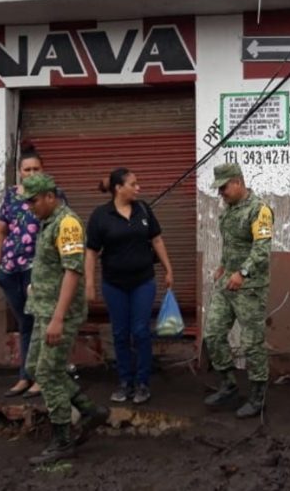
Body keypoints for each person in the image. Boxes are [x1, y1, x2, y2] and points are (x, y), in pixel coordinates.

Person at [20, 174, 108, 465]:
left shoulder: (67, 223)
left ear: (49, 196)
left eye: (33, 200)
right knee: (35, 367)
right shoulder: (48, 222)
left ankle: (62, 440)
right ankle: (88, 411)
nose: (30, 206)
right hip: (43, 310)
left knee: (48, 374)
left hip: (60, 315)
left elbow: (73, 272)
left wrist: (58, 319)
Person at [86, 168, 174, 404]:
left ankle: (143, 383)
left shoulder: (143, 209)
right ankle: (125, 382)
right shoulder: (100, 216)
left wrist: (168, 269)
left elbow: (156, 239)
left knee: (141, 331)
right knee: (120, 333)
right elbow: (91, 252)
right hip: (114, 285)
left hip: (143, 282)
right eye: (133, 184)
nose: (138, 187)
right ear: (118, 188)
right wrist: (89, 283)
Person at [203, 163, 273, 419]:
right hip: (227, 283)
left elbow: (262, 250)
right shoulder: (229, 210)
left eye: (224, 187)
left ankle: (258, 396)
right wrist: (223, 266)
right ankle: (229, 385)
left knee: (252, 343)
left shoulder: (259, 210)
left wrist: (242, 273)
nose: (221, 192)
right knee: (212, 334)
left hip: (249, 286)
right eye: (219, 188)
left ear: (238, 182)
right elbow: (231, 243)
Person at [0, 146, 46, 399]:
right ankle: (25, 376)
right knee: (25, 323)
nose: (32, 173)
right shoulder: (11, 196)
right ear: (20, 172)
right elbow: (0, 231)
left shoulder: (51, 195)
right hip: (11, 270)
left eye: (36, 168)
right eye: (27, 169)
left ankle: (41, 377)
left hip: (38, 270)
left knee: (40, 323)